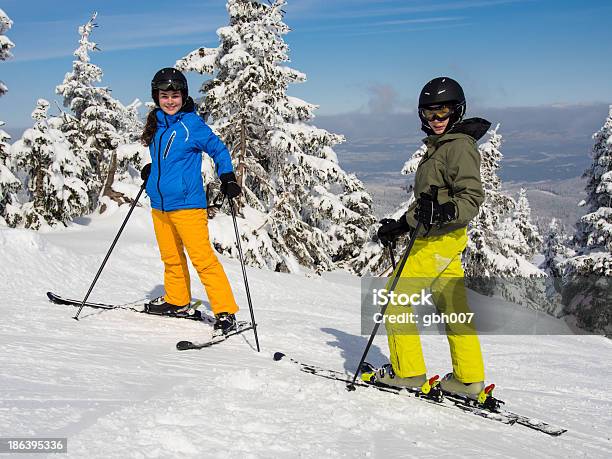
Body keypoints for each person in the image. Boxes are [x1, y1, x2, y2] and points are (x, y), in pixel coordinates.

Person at [375, 76, 491, 397]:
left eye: (443, 113)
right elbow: (431, 200)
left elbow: (470, 198)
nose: (437, 120)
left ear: (457, 111)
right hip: (442, 238)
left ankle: (408, 372)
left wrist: (443, 213)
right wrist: (401, 224)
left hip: (440, 239)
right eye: (430, 114)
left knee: (395, 300)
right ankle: (468, 380)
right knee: (453, 309)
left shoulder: (459, 147)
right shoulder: (443, 145)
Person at [140, 67, 242, 334]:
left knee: (202, 259)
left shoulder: (192, 124)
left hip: (187, 205)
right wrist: (152, 170)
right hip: (160, 205)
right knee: (171, 257)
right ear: (156, 97)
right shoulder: (158, 124)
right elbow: (169, 160)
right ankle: (177, 300)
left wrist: (228, 175)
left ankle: (225, 310)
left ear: (184, 96)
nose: (170, 100)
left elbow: (218, 148)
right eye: (164, 95)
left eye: (175, 95)